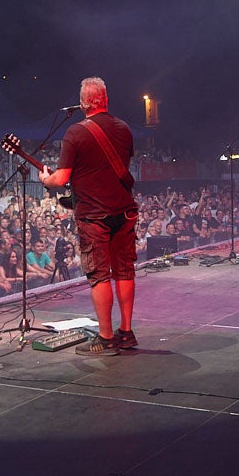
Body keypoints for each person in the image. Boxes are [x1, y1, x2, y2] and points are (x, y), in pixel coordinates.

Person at [40, 76, 138, 357]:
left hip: (94, 215)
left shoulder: (75, 133)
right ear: (106, 100)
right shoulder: (125, 128)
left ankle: (106, 338)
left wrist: (46, 180)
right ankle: (126, 332)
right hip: (124, 209)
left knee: (99, 276)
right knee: (125, 271)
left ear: (83, 104)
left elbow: (62, 179)